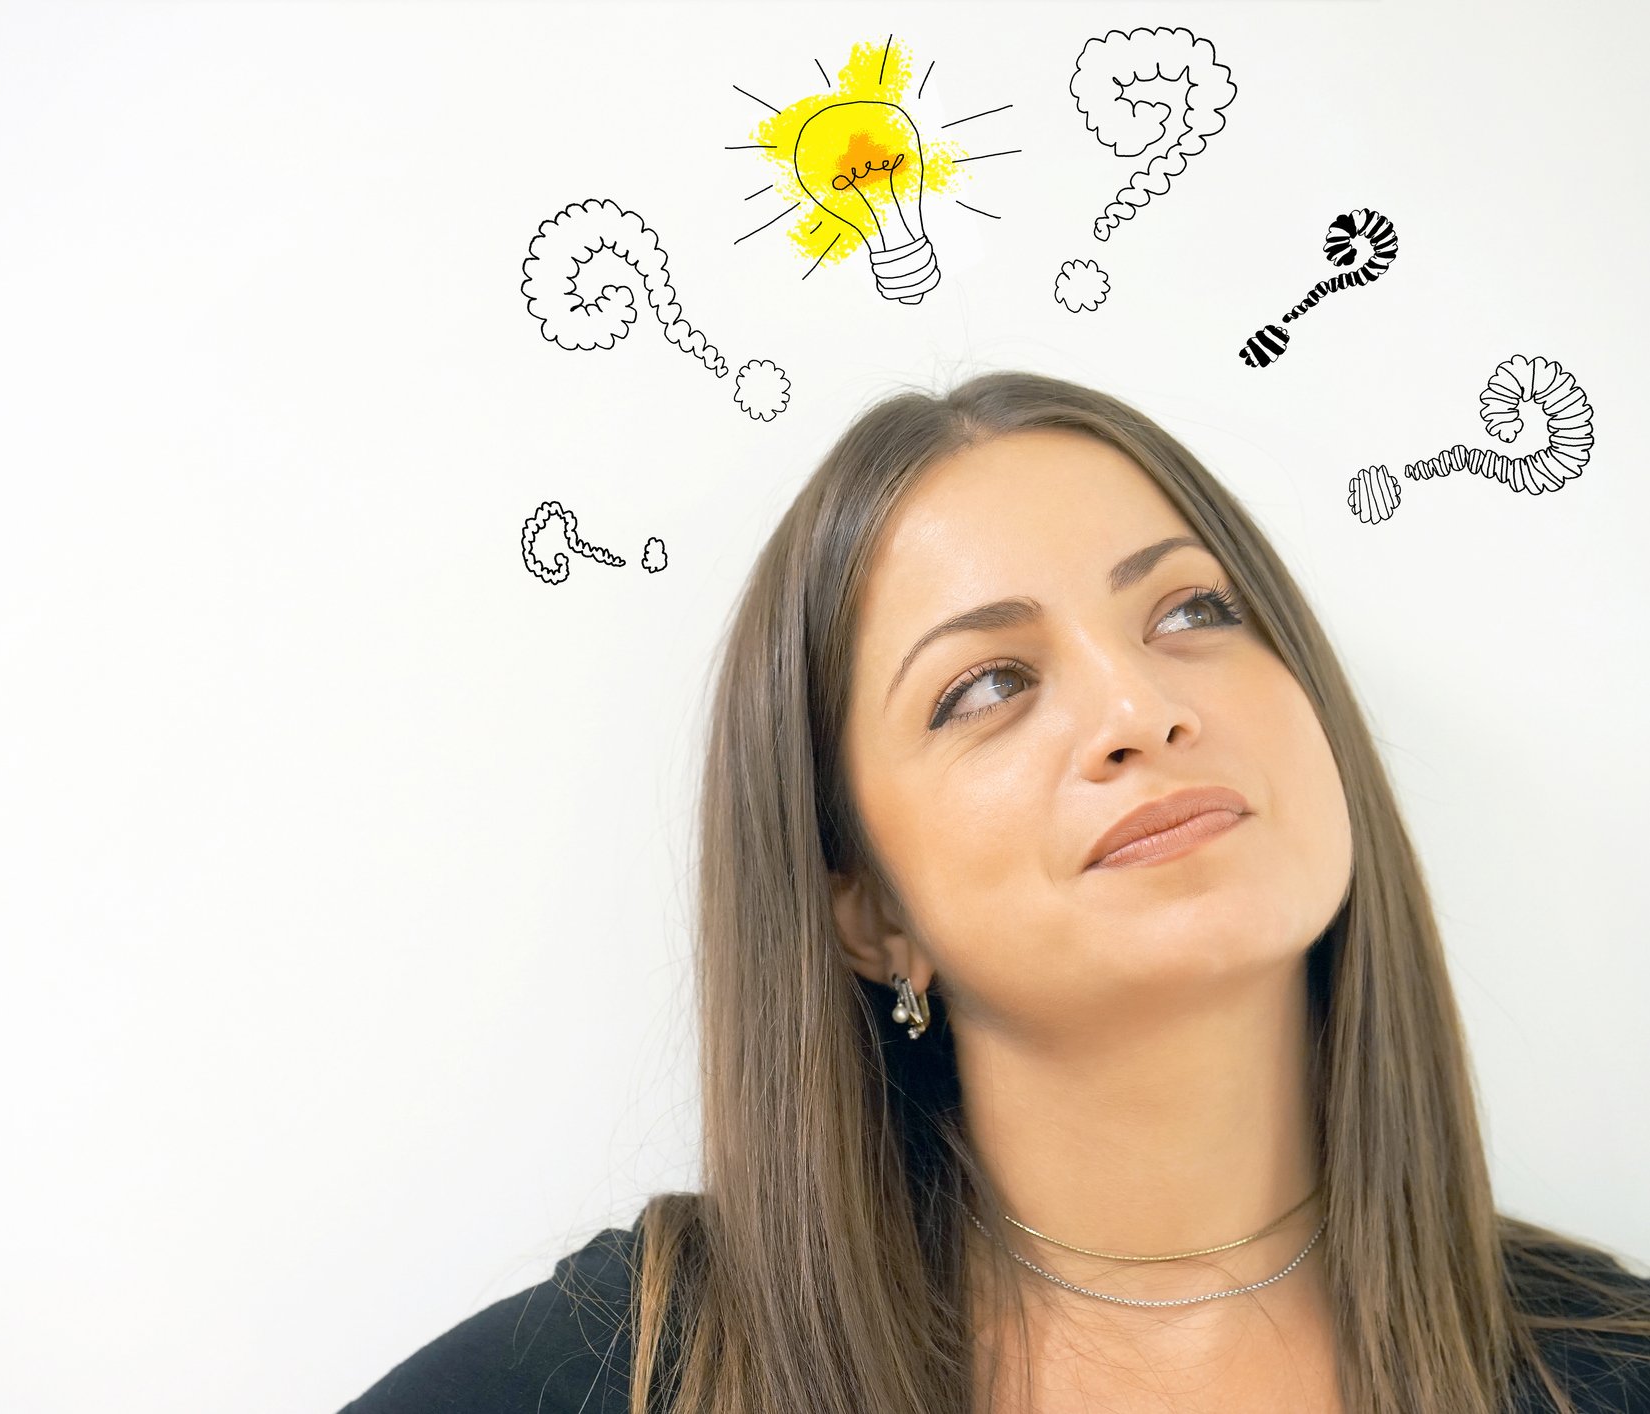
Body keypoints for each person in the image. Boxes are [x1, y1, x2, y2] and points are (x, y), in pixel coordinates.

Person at [339, 372, 1650, 1413]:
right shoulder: (641, 1368)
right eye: (986, 686)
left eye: (1193, 610)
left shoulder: (1610, 1366)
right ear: (868, 911)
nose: (1139, 709)